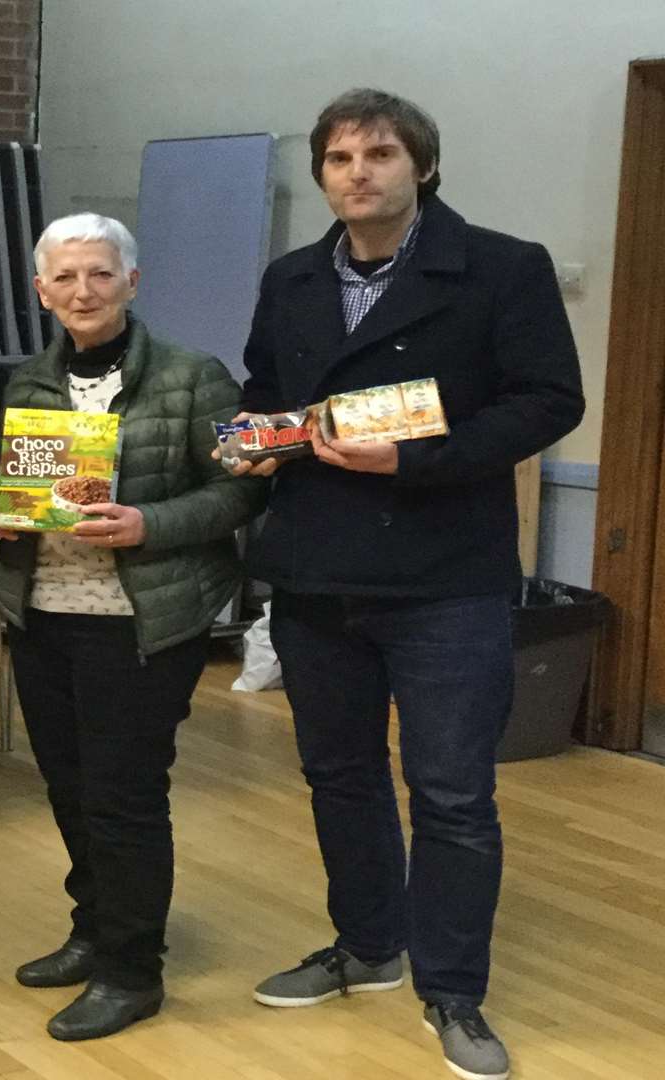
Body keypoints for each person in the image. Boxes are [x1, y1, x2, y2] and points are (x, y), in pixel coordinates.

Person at [228, 89, 583, 1080]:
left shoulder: (502, 267)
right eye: (339, 158)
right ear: (323, 176)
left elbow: (551, 398)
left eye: (379, 154)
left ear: (422, 166)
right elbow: (268, 392)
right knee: (338, 777)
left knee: (454, 794)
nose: (358, 172)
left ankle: (454, 989)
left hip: (444, 576)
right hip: (316, 570)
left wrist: (418, 463)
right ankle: (368, 945)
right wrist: (257, 443)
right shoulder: (292, 277)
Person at [0, 213, 263, 1040]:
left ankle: (133, 970)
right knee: (68, 787)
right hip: (43, 613)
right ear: (40, 292)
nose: (82, 291)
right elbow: (2, 479)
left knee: (124, 796)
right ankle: (93, 930)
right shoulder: (28, 379)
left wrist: (149, 525)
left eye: (100, 273)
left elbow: (243, 490)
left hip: (141, 619)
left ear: (132, 282)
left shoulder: (193, 375)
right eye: (64, 278)